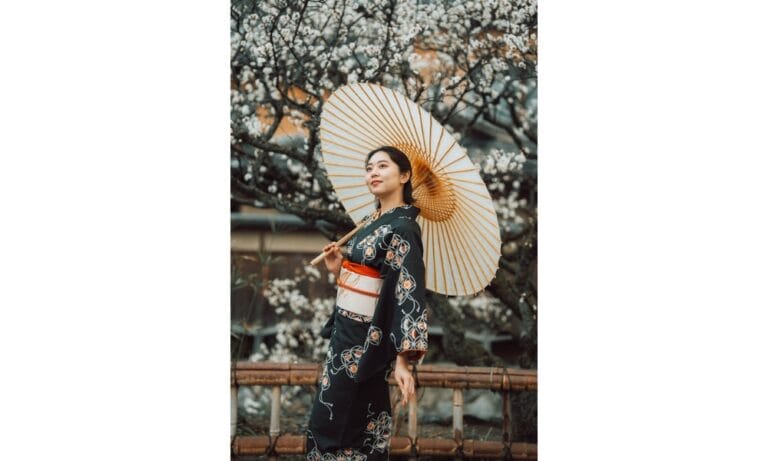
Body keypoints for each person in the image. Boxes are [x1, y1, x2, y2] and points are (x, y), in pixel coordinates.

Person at [306, 146, 428, 460]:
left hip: (367, 341)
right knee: (327, 420)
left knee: (351, 424)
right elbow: (362, 282)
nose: (373, 172)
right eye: (369, 167)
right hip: (345, 334)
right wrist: (339, 270)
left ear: (404, 175)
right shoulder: (370, 222)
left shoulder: (404, 228)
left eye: (383, 166)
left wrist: (403, 359)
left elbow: (407, 290)